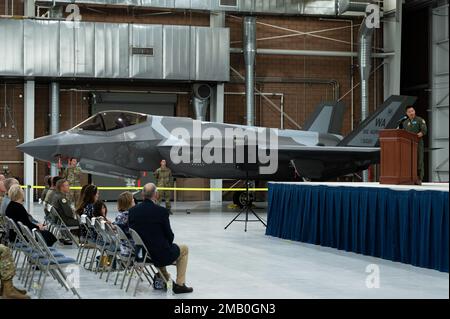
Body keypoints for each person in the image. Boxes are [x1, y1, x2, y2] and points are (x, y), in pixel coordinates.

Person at [129, 183, 193, 294]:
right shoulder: (161, 212)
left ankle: (166, 279)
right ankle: (180, 284)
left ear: (143, 194)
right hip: (158, 254)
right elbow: (170, 236)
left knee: (156, 244)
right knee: (184, 249)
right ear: (156, 195)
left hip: (142, 254)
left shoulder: (132, 211)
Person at [401, 105, 428, 184]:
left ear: (414, 111)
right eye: (409, 112)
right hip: (408, 144)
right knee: (409, 161)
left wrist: (419, 135)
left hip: (418, 143)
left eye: (412, 111)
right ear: (407, 113)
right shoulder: (405, 123)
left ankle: (419, 178)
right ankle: (410, 178)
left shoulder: (420, 120)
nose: (411, 113)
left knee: (419, 160)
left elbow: (424, 130)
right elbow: (404, 133)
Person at [51, 179, 80, 244]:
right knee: (83, 223)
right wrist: (74, 212)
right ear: (61, 187)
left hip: (60, 221)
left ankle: (72, 237)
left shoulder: (56, 195)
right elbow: (68, 213)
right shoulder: (61, 198)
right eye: (67, 185)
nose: (69, 187)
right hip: (65, 221)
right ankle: (82, 240)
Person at [114, 192, 135, 256]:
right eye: (132, 199)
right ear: (129, 203)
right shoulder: (130, 216)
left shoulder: (119, 216)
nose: (134, 200)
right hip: (132, 249)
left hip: (123, 248)